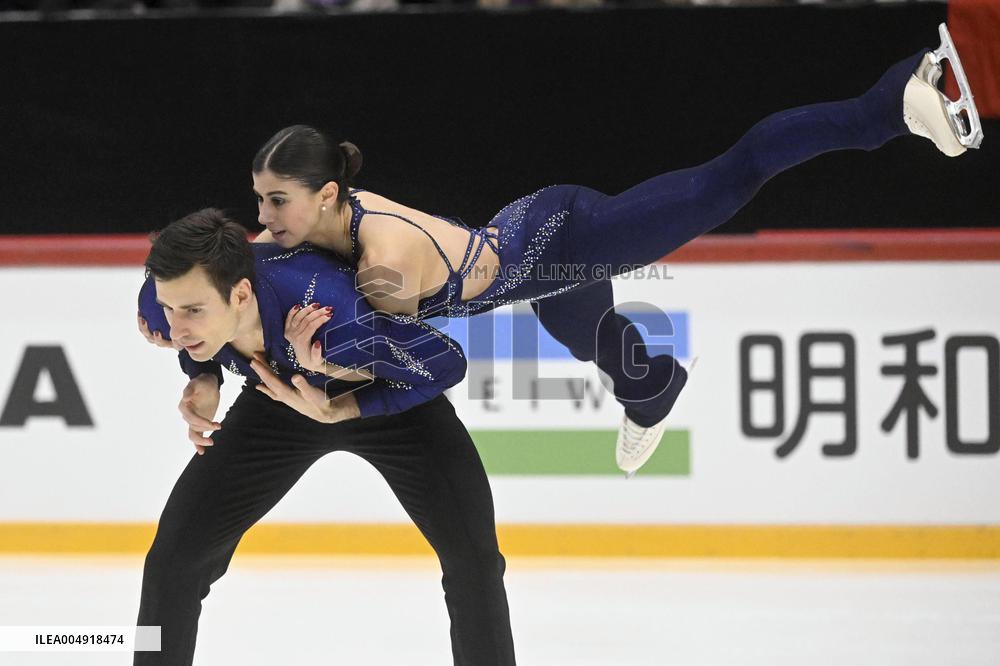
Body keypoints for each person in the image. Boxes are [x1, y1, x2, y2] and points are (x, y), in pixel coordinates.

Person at [142, 26, 983, 476]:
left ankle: (894, 101)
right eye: (258, 202)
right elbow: (196, 291)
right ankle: (653, 389)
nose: (263, 218)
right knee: (613, 359)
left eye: (275, 202)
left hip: (565, 241)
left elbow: (410, 362)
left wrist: (323, 384)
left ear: (324, 197)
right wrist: (201, 370)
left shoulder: (380, 262)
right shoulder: (304, 234)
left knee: (733, 175)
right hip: (524, 265)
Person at [134, 209, 516, 665]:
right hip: (278, 402)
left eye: (193, 312)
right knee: (173, 561)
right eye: (169, 309)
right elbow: (185, 326)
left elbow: (447, 363)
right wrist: (204, 376)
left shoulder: (337, 318)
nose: (175, 327)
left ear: (240, 294)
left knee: (474, 562)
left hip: (390, 403)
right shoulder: (166, 294)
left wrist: (348, 408)